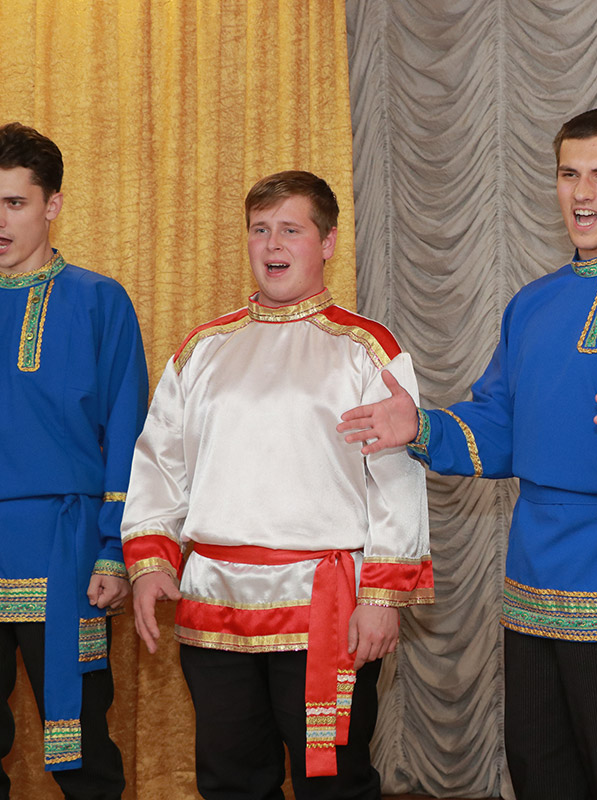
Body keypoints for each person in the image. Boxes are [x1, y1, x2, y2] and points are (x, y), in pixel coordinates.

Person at [338, 107, 597, 799]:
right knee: (540, 774)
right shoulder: (531, 304)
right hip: (532, 580)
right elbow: (501, 426)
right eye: (569, 175)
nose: (582, 193)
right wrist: (419, 427)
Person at [121, 170, 432, 799]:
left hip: (325, 609)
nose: (272, 244)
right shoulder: (202, 349)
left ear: (328, 242)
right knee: (231, 781)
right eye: (260, 230)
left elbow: (396, 479)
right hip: (214, 603)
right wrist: (151, 562)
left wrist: (382, 598)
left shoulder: (367, 348)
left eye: (291, 229)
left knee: (334, 784)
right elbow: (159, 463)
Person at [0, 121, 146, 798]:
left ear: (52, 204)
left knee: (79, 744)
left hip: (65, 551)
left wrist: (116, 549)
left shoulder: (98, 300)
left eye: (15, 203)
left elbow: (129, 433)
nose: (0, 220)